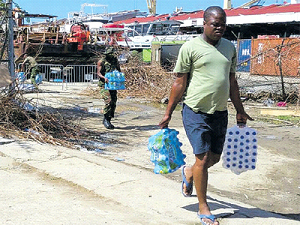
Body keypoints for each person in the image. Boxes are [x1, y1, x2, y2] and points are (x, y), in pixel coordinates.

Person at [159, 6, 253, 225]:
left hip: (219, 112)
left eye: (223, 24)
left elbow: (232, 82)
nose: (220, 28)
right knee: (202, 157)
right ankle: (203, 207)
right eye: (215, 24)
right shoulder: (190, 48)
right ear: (204, 24)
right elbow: (179, 82)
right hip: (195, 111)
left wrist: (240, 110)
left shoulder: (229, 48)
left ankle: (189, 173)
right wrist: (168, 113)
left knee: (214, 157)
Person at [97, 37, 121, 129]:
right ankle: (105, 119)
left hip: (112, 84)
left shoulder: (115, 60)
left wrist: (120, 77)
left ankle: (108, 119)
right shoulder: (101, 61)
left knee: (114, 102)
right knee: (108, 101)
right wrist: (104, 78)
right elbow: (98, 73)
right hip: (104, 84)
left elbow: (119, 69)